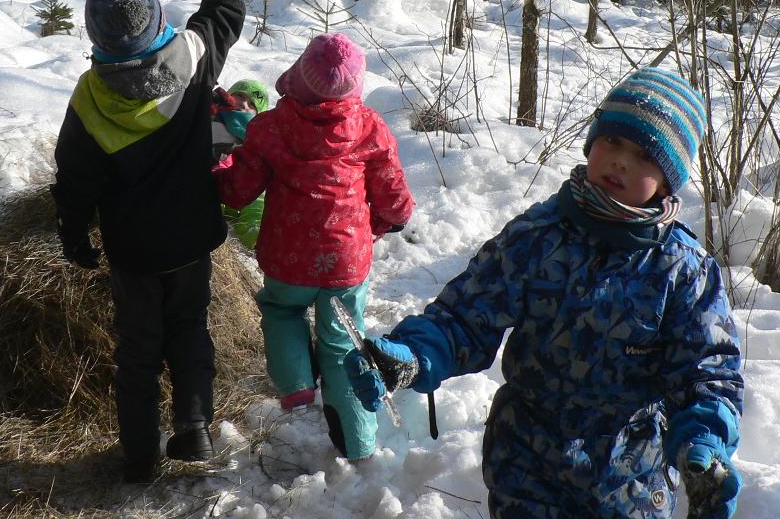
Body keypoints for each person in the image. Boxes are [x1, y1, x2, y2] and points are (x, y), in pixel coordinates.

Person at [345, 68, 744, 518]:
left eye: (644, 155)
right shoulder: (539, 235)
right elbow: (465, 316)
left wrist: (703, 442)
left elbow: (708, 371)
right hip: (526, 469)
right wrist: (413, 353)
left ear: (668, 181)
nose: (621, 162)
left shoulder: (683, 269)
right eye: (613, 141)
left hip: (629, 480)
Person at [51, 0, 245, 484]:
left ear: (96, 35)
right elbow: (225, 11)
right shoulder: (193, 57)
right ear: (157, 19)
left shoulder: (90, 97)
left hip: (133, 252)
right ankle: (195, 427)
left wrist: (74, 233)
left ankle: (139, 456)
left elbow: (75, 177)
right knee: (190, 330)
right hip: (190, 239)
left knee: (137, 352)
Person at [215, 33, 414, 461]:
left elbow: (238, 191)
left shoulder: (270, 127)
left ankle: (296, 385)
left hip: (287, 260)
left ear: (300, 75)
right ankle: (359, 445)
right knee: (343, 345)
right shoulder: (369, 126)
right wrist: (391, 218)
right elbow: (392, 192)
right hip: (345, 261)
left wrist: (218, 171)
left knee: (281, 310)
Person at [211, 78, 271, 250]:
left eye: (252, 104)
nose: (244, 104)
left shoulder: (257, 137)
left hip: (237, 187)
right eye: (240, 96)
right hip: (210, 182)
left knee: (258, 197)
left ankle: (255, 233)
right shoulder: (213, 115)